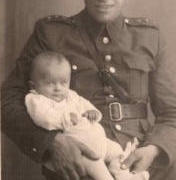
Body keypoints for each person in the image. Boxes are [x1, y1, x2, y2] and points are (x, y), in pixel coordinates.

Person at [1, 0, 176, 180]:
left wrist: (154, 149)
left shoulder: (149, 37)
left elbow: (173, 113)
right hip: (83, 159)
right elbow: (7, 100)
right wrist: (51, 142)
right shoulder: (51, 33)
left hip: (140, 154)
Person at [25, 51, 149, 180]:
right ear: (33, 85)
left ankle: (125, 176)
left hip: (100, 141)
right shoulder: (36, 99)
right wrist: (65, 119)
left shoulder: (71, 95)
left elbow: (84, 103)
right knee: (103, 176)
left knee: (117, 151)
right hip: (81, 151)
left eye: (63, 83)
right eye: (50, 83)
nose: (58, 88)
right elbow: (43, 117)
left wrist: (93, 112)